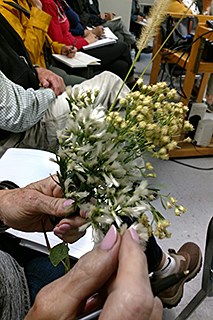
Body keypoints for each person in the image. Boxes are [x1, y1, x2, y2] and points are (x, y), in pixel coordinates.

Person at [0, 175, 201, 319]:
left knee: (108, 208)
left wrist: (3, 204)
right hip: (23, 299)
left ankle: (163, 269)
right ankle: (166, 270)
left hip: (6, 257)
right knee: (117, 224)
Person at [0, 69, 130, 156]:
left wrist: (36, 68)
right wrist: (50, 93)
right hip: (23, 129)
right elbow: (17, 114)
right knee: (110, 84)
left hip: (33, 94)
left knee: (119, 63)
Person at [40, 0, 135, 82]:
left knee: (121, 66)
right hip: (70, 52)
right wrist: (85, 40)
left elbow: (74, 25)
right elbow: (60, 41)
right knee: (122, 47)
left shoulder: (59, 3)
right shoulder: (48, 4)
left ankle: (122, 95)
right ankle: (133, 85)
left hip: (79, 40)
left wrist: (86, 36)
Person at [0, 0, 86, 86]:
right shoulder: (4, 9)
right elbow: (28, 55)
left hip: (45, 64)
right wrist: (38, 9)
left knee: (88, 82)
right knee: (87, 86)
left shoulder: (23, 2)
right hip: (32, 75)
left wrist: (60, 48)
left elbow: (45, 41)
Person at [67, 0, 136, 45]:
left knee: (119, 35)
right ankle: (135, 44)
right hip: (91, 26)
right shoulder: (80, 2)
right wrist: (100, 18)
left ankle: (122, 55)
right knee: (119, 23)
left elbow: (96, 14)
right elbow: (84, 18)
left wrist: (104, 16)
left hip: (97, 23)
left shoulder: (94, 1)